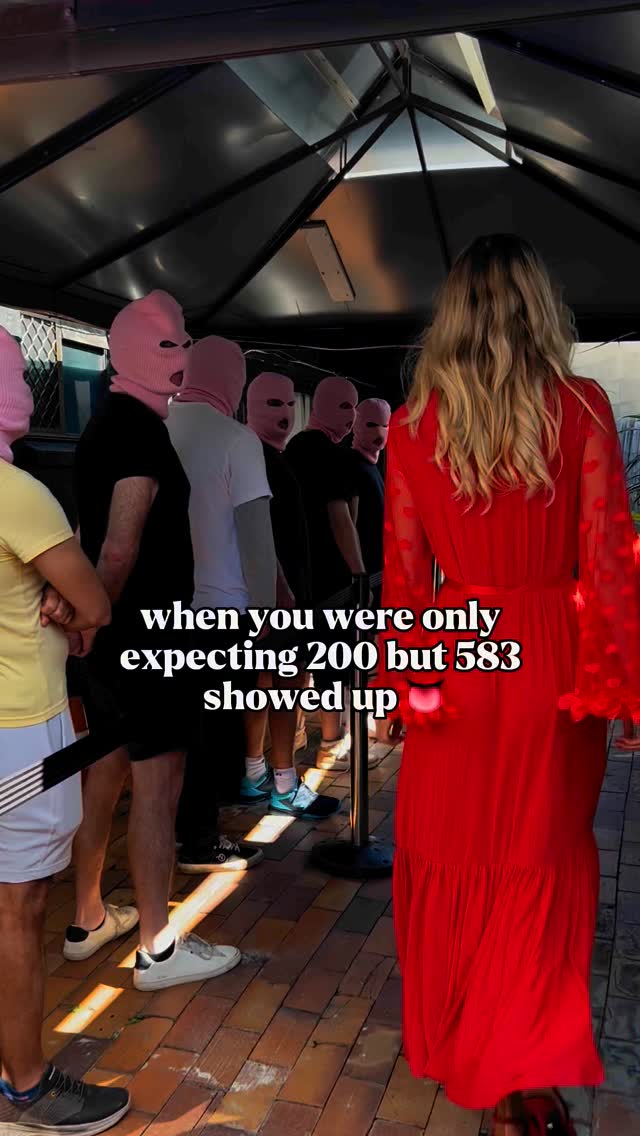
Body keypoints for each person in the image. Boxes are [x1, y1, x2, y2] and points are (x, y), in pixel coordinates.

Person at [376, 234, 640, 1135]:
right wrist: (623, 686)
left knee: (457, 856)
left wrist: (404, 691)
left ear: (450, 316)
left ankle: (481, 1056)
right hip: (552, 667)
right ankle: (527, 1078)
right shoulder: (583, 407)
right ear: (542, 307)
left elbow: (405, 581)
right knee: (539, 858)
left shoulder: (411, 427)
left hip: (457, 658)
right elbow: (608, 561)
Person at [67, 291, 241, 989]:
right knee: (158, 788)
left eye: (184, 342)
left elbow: (88, 536)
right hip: (143, 642)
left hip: (112, 643)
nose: (181, 355)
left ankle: (86, 919)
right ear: (130, 350)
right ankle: (158, 948)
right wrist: (92, 615)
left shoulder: (102, 421)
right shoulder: (137, 430)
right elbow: (118, 545)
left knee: (105, 777)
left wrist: (87, 620)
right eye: (166, 343)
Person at [0, 328, 130, 1132]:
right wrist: (69, 606)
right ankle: (24, 1085)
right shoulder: (16, 492)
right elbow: (95, 604)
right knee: (17, 909)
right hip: (16, 730)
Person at [167, 336, 276, 872]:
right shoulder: (237, 439)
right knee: (213, 734)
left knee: (172, 734)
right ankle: (200, 840)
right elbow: (256, 537)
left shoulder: (159, 425)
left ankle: (168, 833)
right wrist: (267, 610)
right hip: (224, 612)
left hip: (165, 609)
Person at [244, 371, 341, 819]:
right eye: (273, 403)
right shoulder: (257, 459)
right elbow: (255, 532)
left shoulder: (261, 455)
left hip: (270, 596)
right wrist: (279, 591)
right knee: (283, 686)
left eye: (288, 403)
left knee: (263, 685)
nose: (284, 412)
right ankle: (283, 784)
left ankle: (254, 772)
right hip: (276, 600)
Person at [286, 376, 380, 772]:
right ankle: (332, 743)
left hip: (299, 576)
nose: (351, 416)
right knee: (339, 662)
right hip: (334, 580)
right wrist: (359, 575)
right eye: (345, 406)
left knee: (311, 663)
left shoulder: (293, 448)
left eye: (354, 407)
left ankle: (319, 740)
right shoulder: (333, 456)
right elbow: (344, 520)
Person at [350, 397, 391, 605]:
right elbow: (349, 526)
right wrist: (359, 576)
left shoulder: (372, 466)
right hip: (365, 577)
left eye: (385, 425)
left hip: (376, 573)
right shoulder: (352, 465)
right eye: (372, 425)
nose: (380, 432)